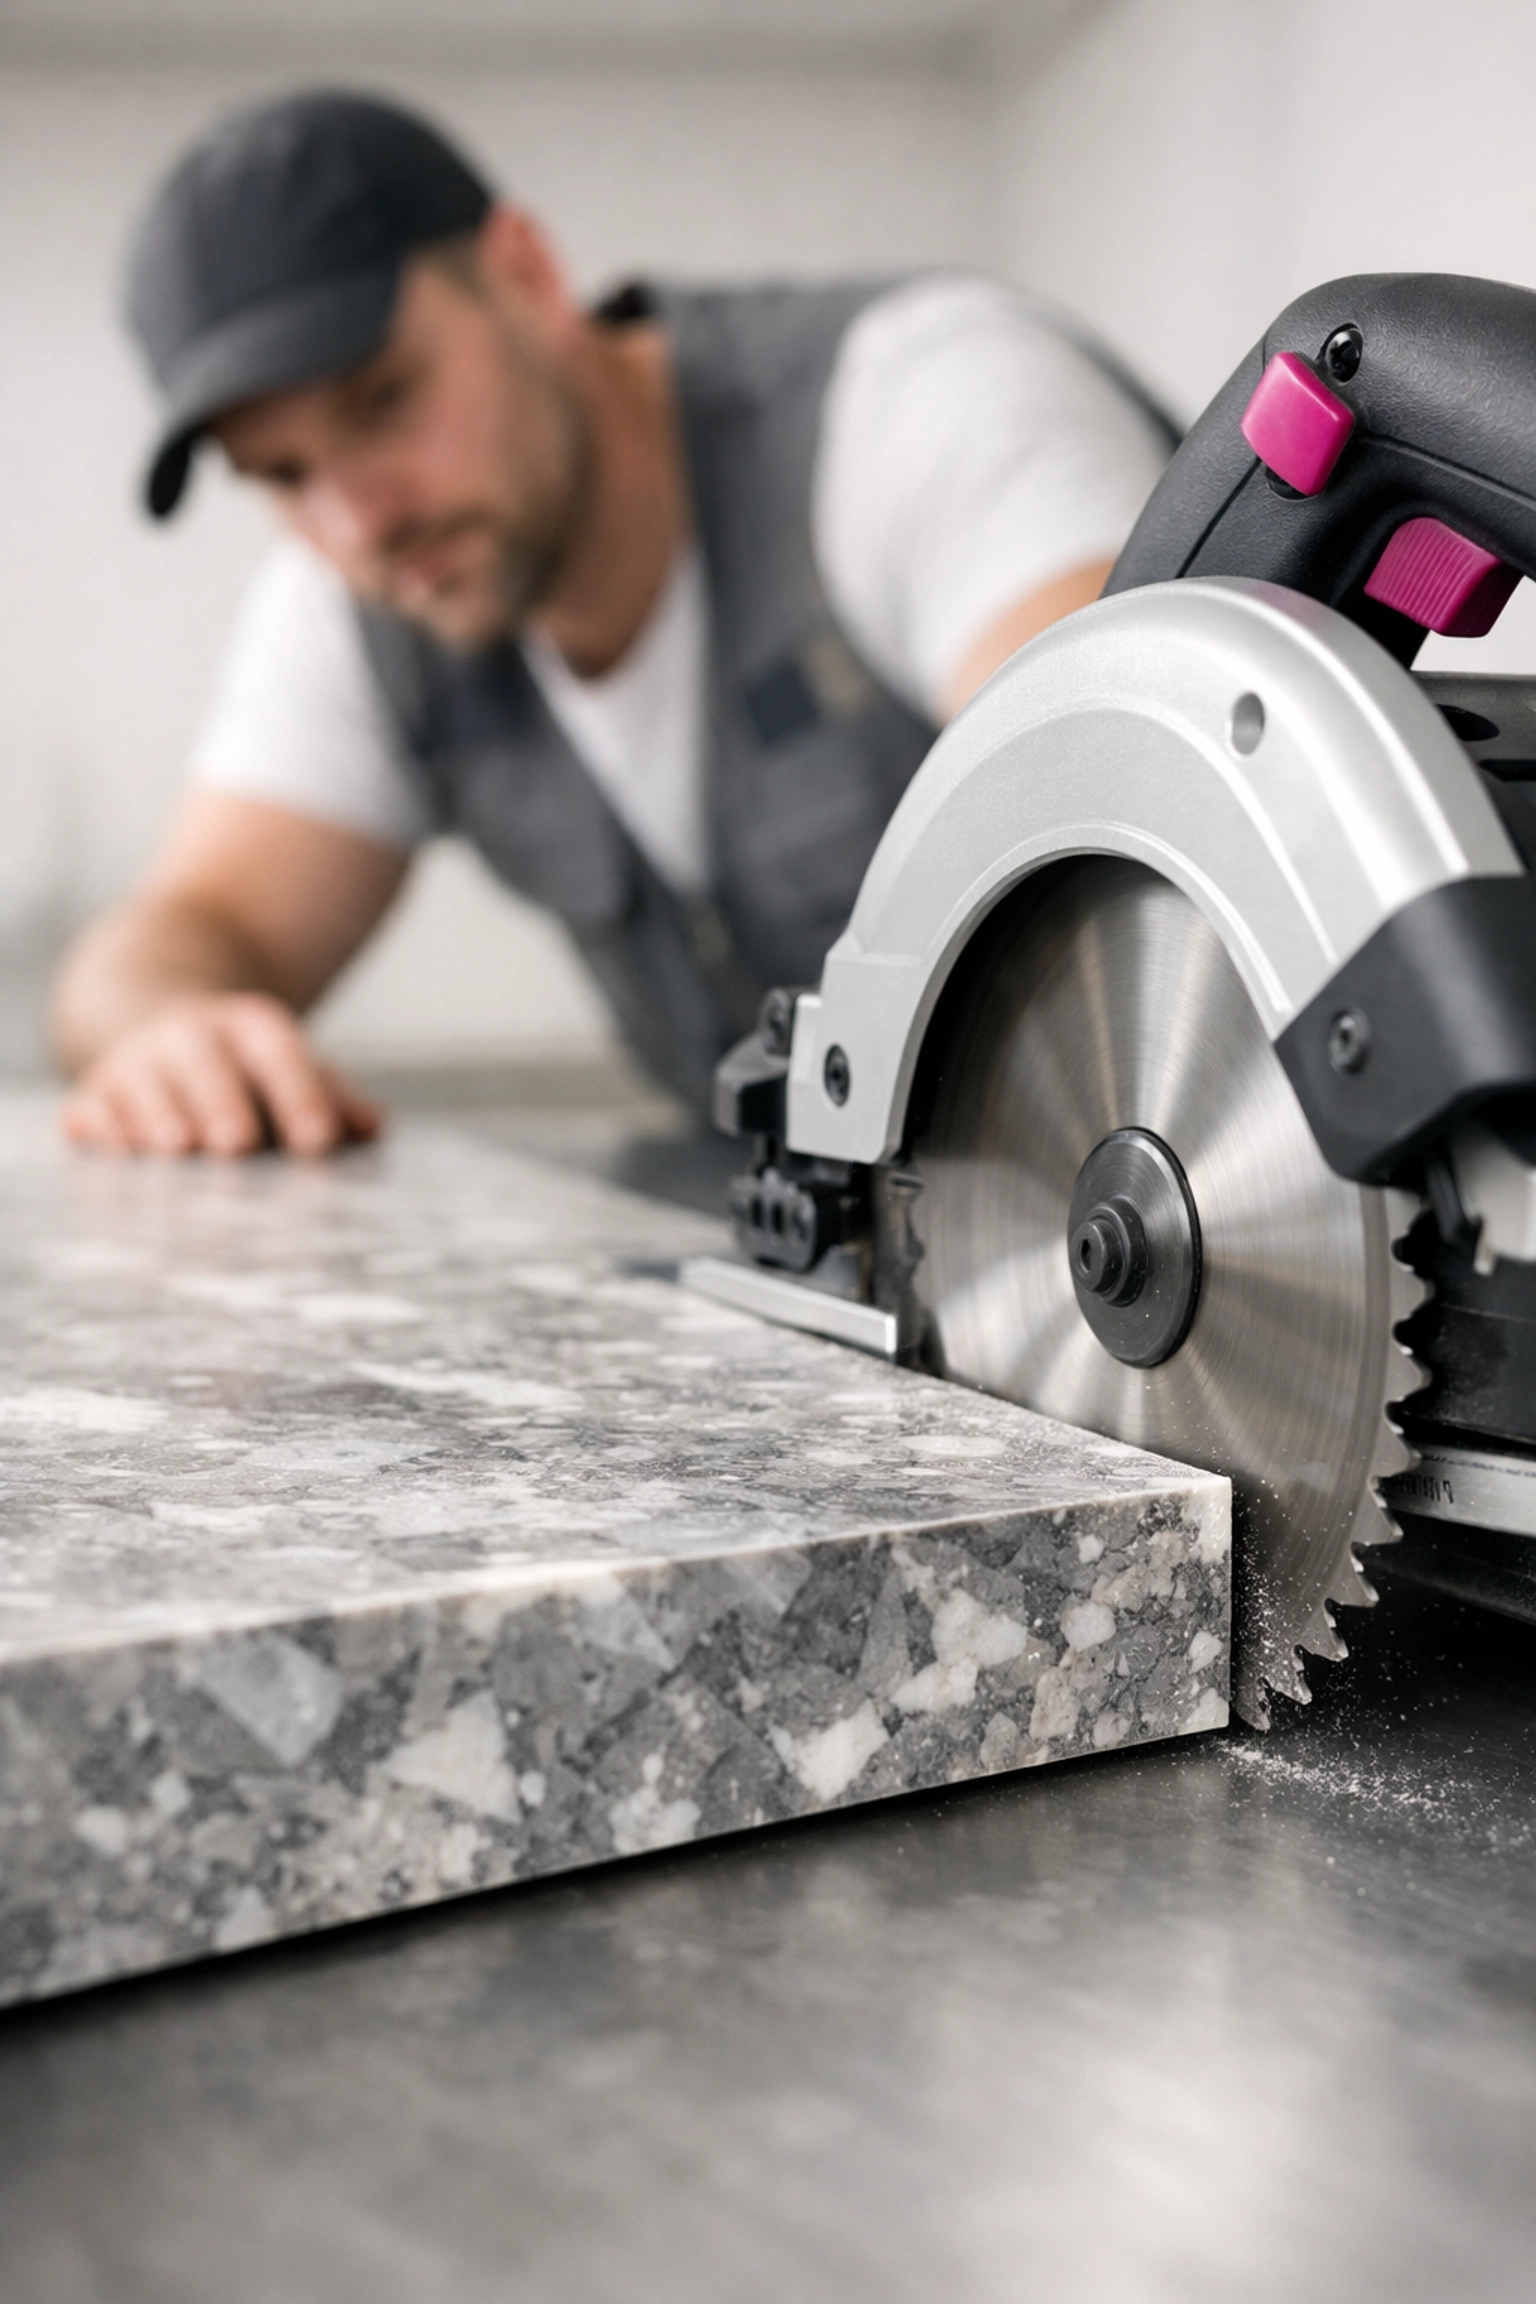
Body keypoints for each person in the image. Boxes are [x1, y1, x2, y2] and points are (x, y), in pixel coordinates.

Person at [53, 91, 1175, 1158]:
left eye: (383, 400)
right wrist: (166, 1034)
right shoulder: (361, 598)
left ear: (526, 275)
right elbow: (172, 940)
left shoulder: (920, 404)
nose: (356, 519)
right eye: (283, 473)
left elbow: (1145, 825)